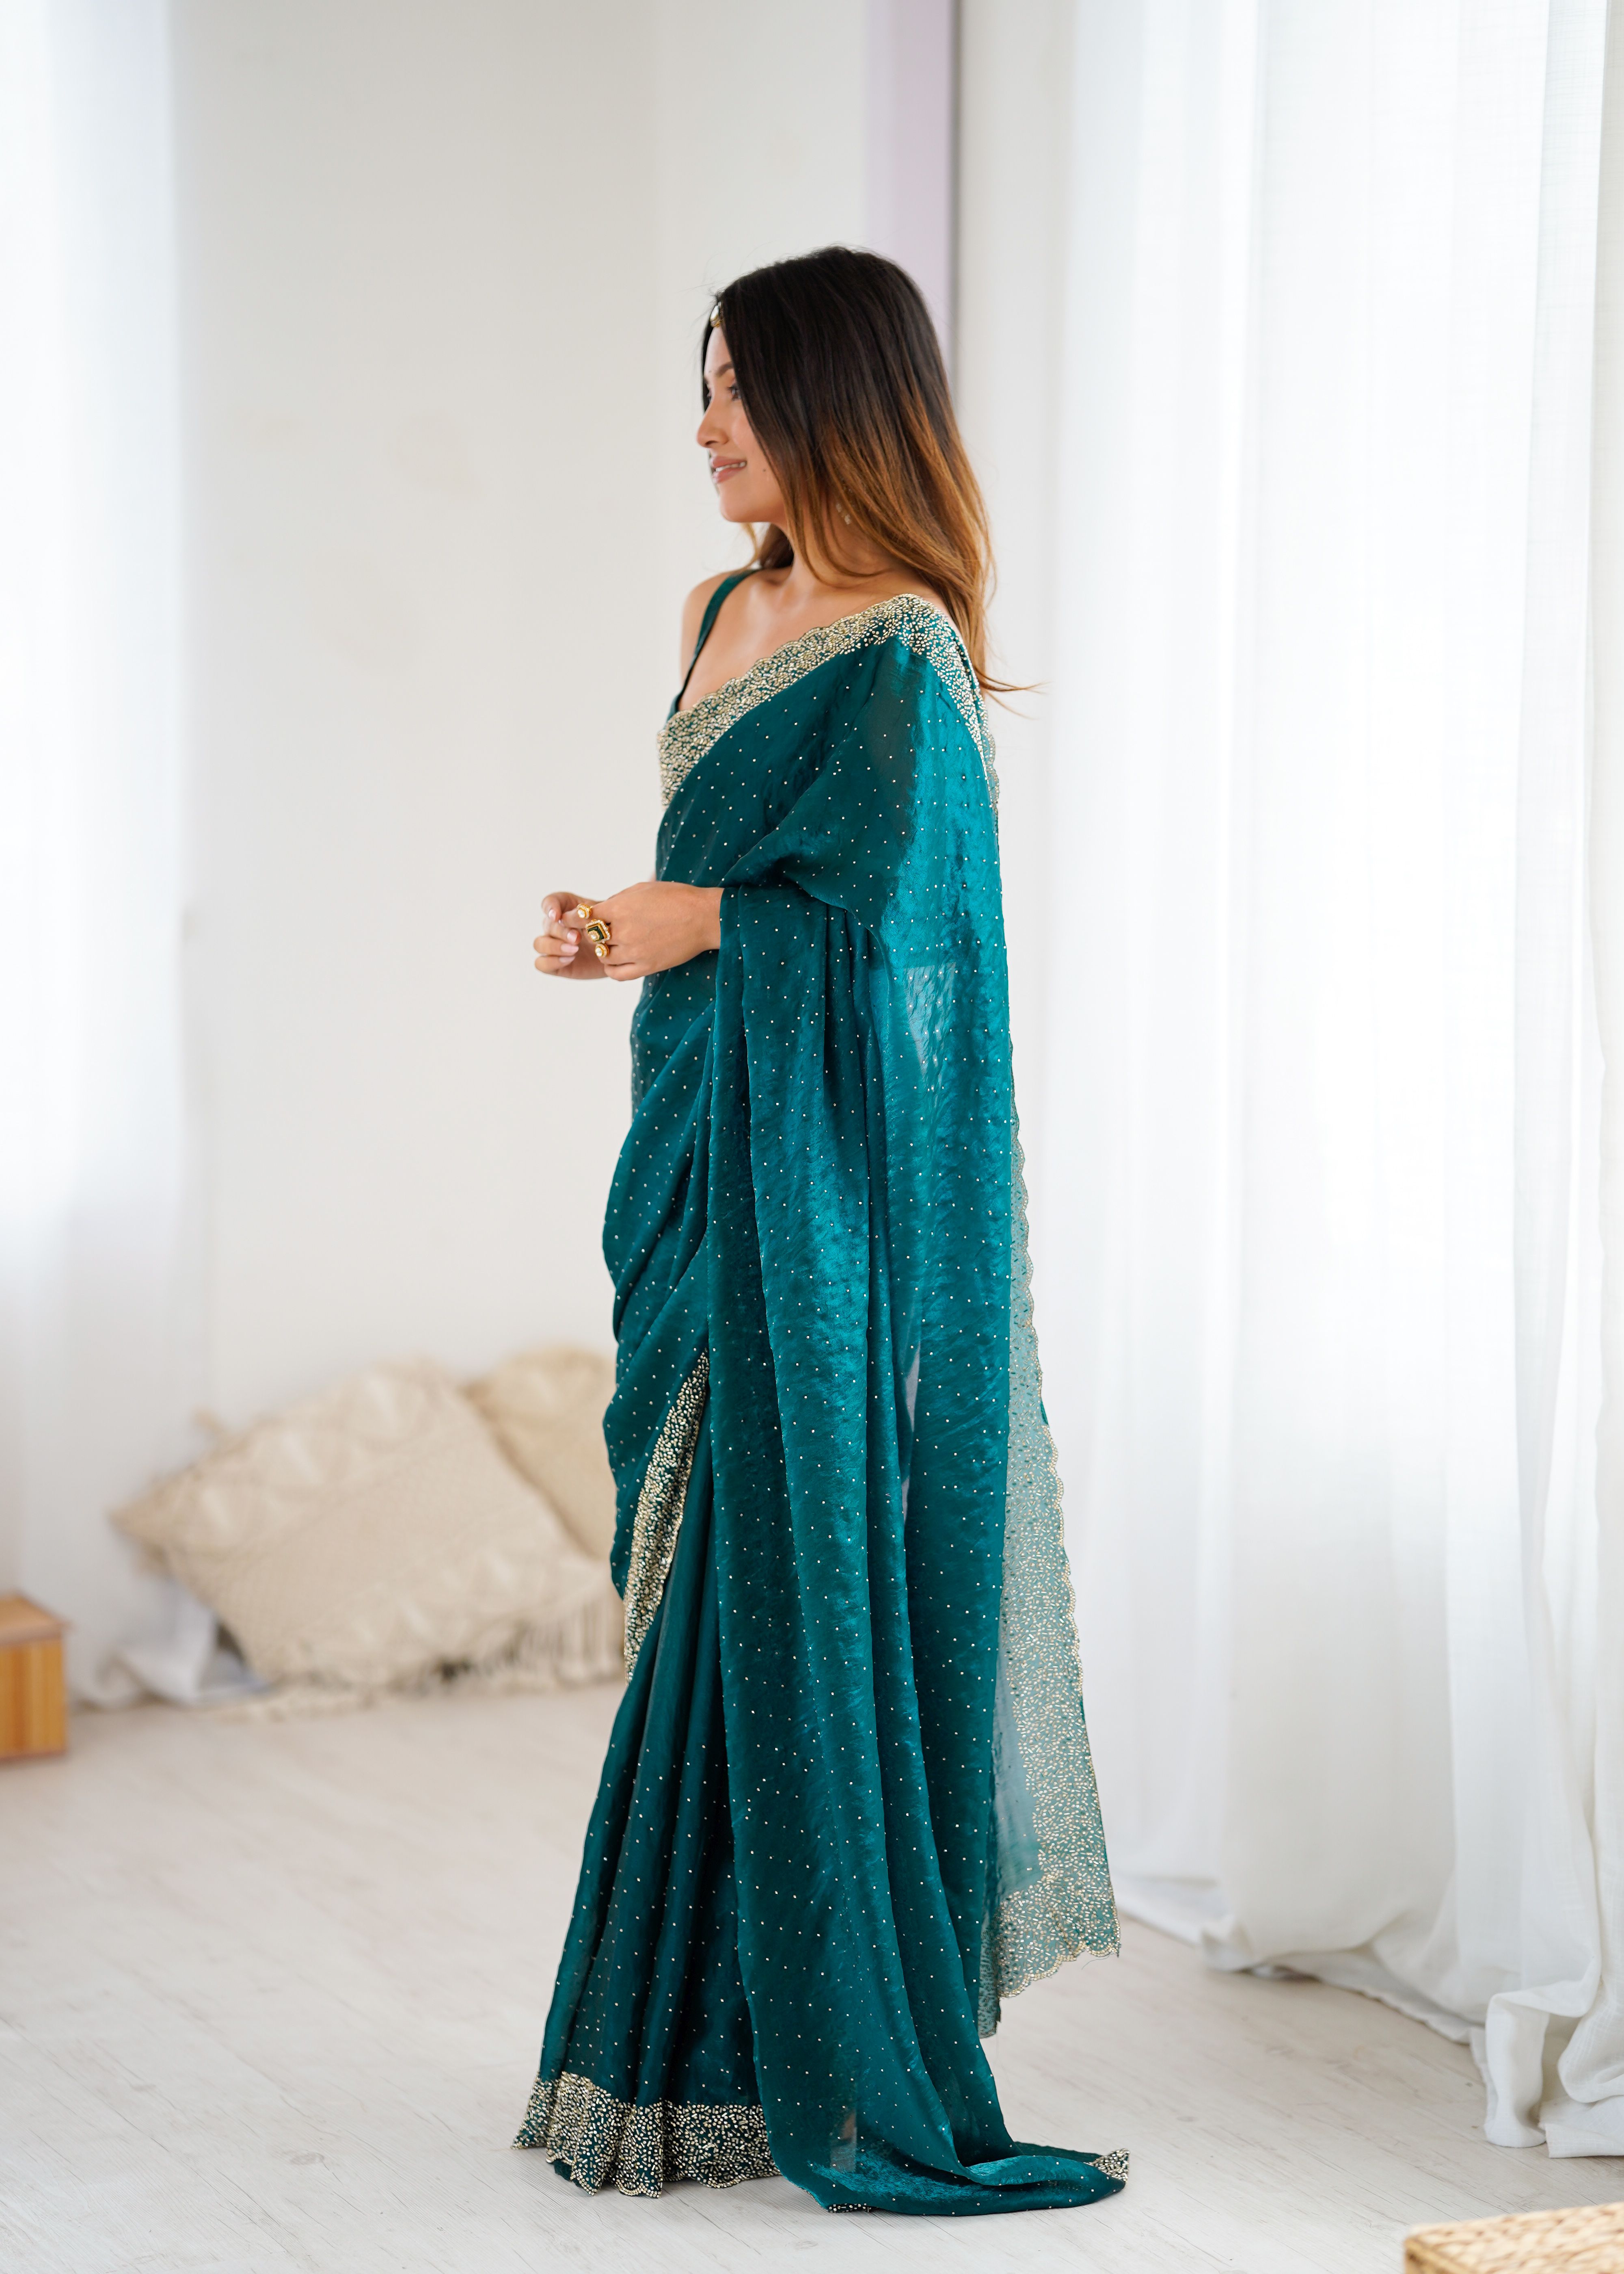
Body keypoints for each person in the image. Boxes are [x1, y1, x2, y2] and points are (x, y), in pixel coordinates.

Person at [516, 245, 1125, 2218]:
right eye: (699, 385)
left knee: (778, 1580)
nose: (701, 424)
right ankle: (683, 2045)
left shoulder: (904, 654)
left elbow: (908, 949)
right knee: (693, 1575)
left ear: (830, 401)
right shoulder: (715, 609)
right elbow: (736, 886)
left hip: (821, 1189)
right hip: (696, 1136)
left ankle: (782, 2051)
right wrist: (623, 934)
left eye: (733, 389)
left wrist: (678, 920)